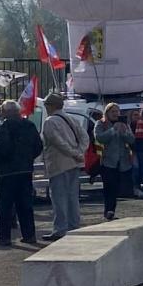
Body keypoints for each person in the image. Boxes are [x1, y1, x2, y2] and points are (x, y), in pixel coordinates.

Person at [0, 99, 43, 246]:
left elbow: (2, 148)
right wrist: (28, 158)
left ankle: (5, 237)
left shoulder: (5, 126)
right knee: (25, 204)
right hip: (25, 170)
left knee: (6, 206)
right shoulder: (29, 125)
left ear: (6, 112)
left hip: (8, 172)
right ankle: (29, 235)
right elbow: (38, 146)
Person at [40, 93, 88, 238]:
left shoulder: (49, 122)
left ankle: (60, 229)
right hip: (74, 163)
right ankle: (74, 226)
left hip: (58, 163)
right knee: (72, 196)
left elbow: (57, 141)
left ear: (51, 106)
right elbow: (85, 137)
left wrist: (73, 152)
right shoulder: (72, 119)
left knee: (59, 198)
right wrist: (79, 152)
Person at [94, 102, 135, 221]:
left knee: (117, 187)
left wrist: (124, 132)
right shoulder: (101, 124)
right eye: (113, 112)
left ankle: (112, 209)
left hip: (122, 161)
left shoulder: (125, 124)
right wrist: (113, 130)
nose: (116, 114)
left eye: (117, 112)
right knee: (109, 186)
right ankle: (108, 210)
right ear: (107, 113)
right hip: (107, 160)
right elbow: (99, 138)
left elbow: (132, 139)